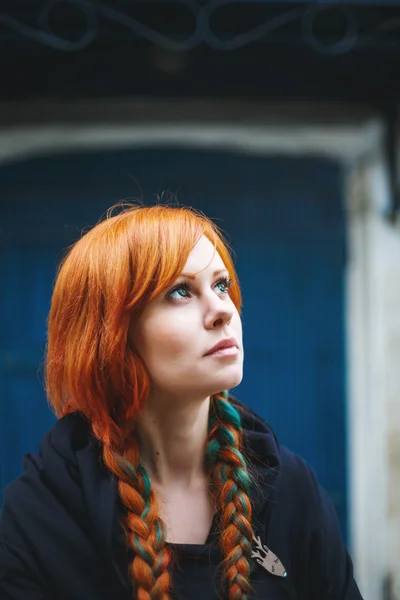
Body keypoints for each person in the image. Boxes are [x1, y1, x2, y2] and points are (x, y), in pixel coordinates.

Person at [0, 204, 363, 600]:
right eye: (180, 291)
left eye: (222, 285)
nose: (223, 310)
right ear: (110, 336)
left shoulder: (290, 490)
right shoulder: (39, 517)